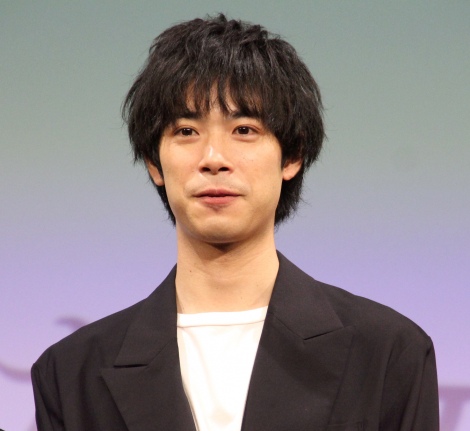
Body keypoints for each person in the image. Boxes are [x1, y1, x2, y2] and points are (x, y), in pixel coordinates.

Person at [31, 14, 439, 431]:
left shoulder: (388, 354)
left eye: (244, 129)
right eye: (186, 131)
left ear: (292, 156)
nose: (214, 158)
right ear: (154, 162)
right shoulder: (71, 374)